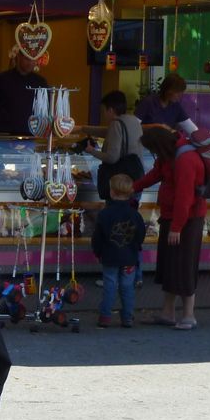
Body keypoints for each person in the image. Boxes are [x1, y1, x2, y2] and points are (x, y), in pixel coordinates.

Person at [133, 126, 206, 330]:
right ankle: (168, 312)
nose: (154, 154)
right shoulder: (170, 155)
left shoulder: (184, 160)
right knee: (170, 265)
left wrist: (177, 227)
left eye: (153, 150)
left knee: (184, 266)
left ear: (159, 146)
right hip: (172, 217)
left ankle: (189, 315)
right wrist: (133, 187)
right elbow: (155, 174)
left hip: (187, 221)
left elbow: (185, 197)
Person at [85, 89, 146, 284]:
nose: (104, 114)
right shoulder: (133, 121)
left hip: (119, 181)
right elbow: (109, 132)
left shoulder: (116, 125)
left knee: (116, 230)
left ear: (111, 109)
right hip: (135, 179)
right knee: (131, 229)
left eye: (105, 110)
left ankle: (112, 274)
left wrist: (90, 151)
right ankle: (135, 274)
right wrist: (84, 128)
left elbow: (112, 157)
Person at [91, 174, 145, 329]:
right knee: (127, 287)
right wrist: (135, 247)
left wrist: (98, 252)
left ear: (112, 192)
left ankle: (105, 316)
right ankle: (127, 317)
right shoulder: (135, 215)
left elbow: (98, 237)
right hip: (129, 257)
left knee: (110, 285)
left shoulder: (105, 214)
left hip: (110, 256)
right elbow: (140, 234)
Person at [0, 47, 48, 136]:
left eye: (34, 59)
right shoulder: (0, 79)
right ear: (18, 57)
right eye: (27, 59)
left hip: (31, 135)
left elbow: (45, 112)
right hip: (3, 134)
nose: (31, 63)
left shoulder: (41, 82)